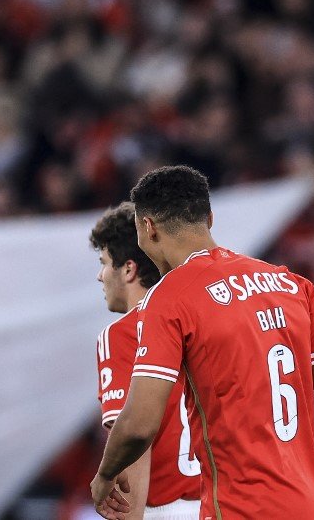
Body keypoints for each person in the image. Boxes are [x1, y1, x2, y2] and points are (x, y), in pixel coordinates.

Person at [90, 166, 314, 520]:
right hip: (310, 506)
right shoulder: (291, 284)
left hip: (239, 507)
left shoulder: (169, 297)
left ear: (148, 227)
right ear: (209, 219)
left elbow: (139, 425)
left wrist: (106, 474)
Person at [90, 202, 201, 519]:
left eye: (104, 263)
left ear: (128, 269)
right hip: (225, 504)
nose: (100, 276)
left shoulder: (123, 333)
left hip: (167, 509)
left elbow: (133, 439)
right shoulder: (199, 317)